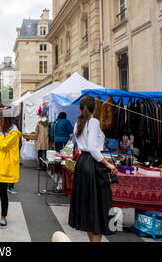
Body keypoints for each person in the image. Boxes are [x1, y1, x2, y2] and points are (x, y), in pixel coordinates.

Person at [68, 96, 117, 242]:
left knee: (89, 207)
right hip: (92, 164)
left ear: (80, 108)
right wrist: (108, 164)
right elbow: (92, 148)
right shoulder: (93, 122)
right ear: (94, 108)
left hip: (82, 163)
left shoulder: (78, 123)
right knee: (99, 207)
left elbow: (83, 145)